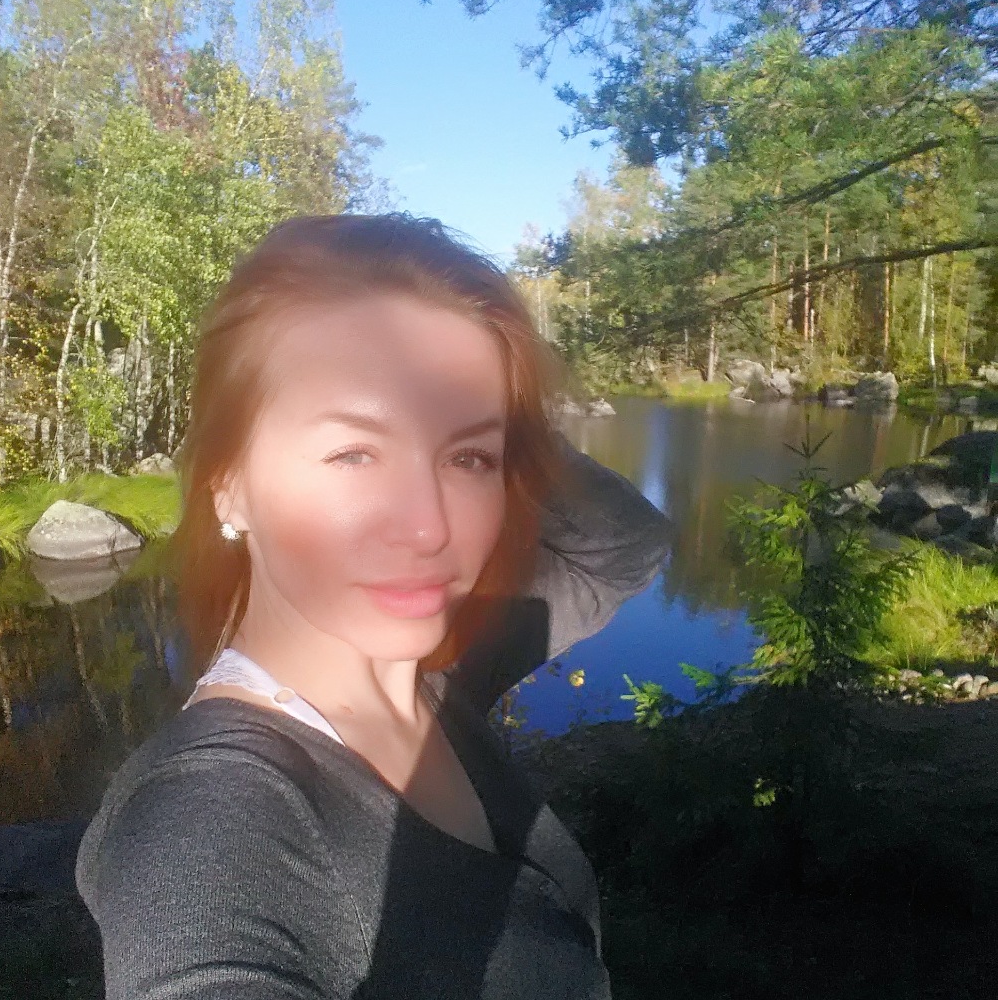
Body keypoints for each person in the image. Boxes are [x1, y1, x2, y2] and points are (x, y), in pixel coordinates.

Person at [75, 213, 672, 1000]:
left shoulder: (433, 674)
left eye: (468, 459)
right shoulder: (210, 817)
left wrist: (507, 422)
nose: (429, 528)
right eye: (353, 452)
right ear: (229, 484)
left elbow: (626, 548)